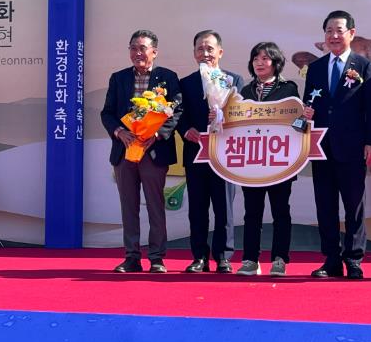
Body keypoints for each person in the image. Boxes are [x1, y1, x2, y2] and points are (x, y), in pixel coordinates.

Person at [302, 10, 371, 279]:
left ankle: (354, 259)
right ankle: (331, 259)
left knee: (354, 205)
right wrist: (305, 116)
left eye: (339, 30)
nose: (334, 36)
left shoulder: (364, 66)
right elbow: (309, 103)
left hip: (353, 146)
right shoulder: (315, 68)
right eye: (329, 31)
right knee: (325, 205)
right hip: (321, 147)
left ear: (351, 33)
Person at [100, 29, 181, 273]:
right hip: (125, 150)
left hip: (153, 151)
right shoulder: (119, 78)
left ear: (154, 52)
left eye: (142, 48)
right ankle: (132, 257)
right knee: (129, 206)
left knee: (155, 205)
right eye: (133, 48)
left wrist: (156, 135)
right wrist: (119, 132)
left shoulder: (167, 77)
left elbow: (176, 111)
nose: (137, 53)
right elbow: (107, 113)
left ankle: (157, 258)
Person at [177, 30, 243, 273]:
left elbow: (242, 114)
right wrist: (186, 130)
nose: (205, 53)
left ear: (220, 52)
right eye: (200, 49)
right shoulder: (185, 83)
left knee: (224, 207)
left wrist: (223, 118)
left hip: (225, 154)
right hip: (196, 153)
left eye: (210, 49)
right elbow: (178, 115)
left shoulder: (234, 80)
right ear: (194, 53)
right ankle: (199, 257)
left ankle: (224, 256)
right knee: (197, 208)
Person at [235, 42, 300, 277]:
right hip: (252, 163)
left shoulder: (288, 89)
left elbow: (299, 124)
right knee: (252, 212)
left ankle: (280, 259)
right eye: (255, 59)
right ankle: (250, 260)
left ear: (275, 62)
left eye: (265, 58)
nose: (259, 63)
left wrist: (304, 119)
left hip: (280, 163)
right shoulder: (245, 92)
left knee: (281, 211)